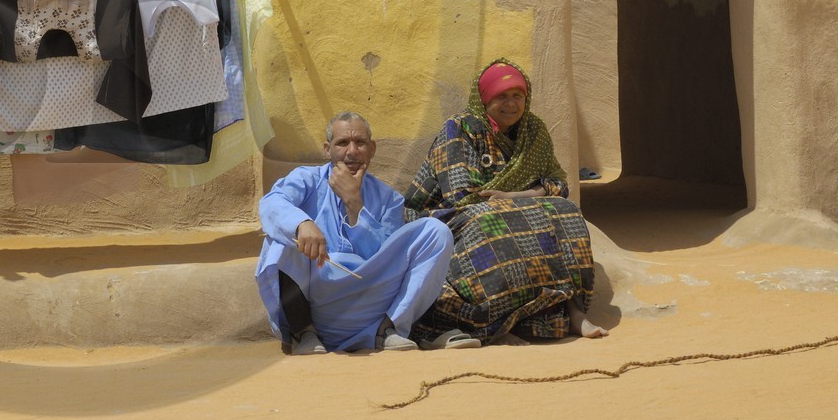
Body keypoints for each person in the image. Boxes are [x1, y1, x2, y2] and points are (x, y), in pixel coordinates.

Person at [403, 59, 609, 343]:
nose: (511, 104)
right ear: (485, 99)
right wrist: (515, 203)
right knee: (491, 222)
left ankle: (572, 312)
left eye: (518, 96)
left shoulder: (533, 131)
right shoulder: (460, 129)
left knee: (566, 213)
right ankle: (498, 320)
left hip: (509, 209)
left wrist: (516, 197)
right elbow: (462, 197)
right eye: (502, 96)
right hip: (441, 217)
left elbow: (559, 186)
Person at [255, 112, 474, 354]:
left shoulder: (389, 199)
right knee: (281, 238)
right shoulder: (307, 179)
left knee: (437, 231)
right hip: (317, 306)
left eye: (359, 143)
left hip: (370, 305)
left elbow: (382, 258)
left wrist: (354, 203)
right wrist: (302, 223)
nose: (352, 151)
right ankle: (303, 333)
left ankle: (388, 330)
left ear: (372, 149)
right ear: (328, 150)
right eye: (342, 143)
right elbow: (271, 203)